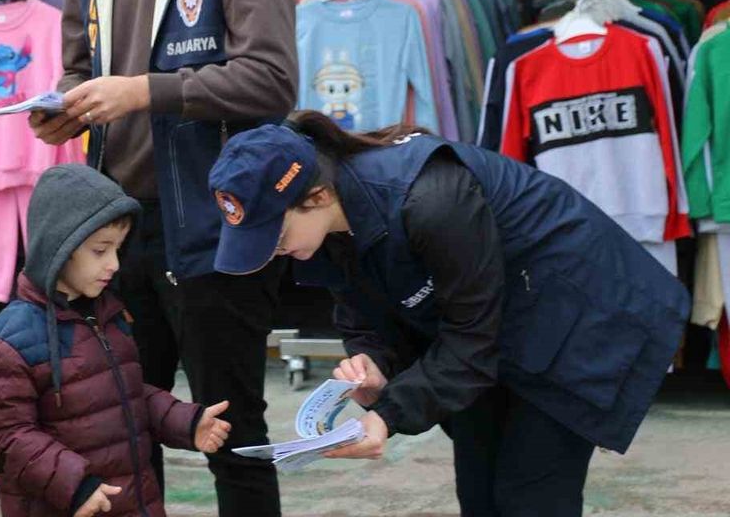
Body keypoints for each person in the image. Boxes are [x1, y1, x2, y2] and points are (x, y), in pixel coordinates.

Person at [206, 111, 692, 517]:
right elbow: (362, 312)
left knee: (530, 499)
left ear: (316, 197)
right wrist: (373, 360)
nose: (269, 252)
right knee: (479, 496)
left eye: (273, 233)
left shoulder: (431, 200)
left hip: (575, 319)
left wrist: (388, 417)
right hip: (490, 332)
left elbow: (473, 340)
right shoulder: (327, 231)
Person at [28, 0, 298, 513]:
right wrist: (67, 108)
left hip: (214, 225)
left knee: (231, 431)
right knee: (116, 429)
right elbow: (82, 69)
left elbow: (272, 80)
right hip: (115, 230)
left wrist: (145, 92)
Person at [0, 164, 233, 517]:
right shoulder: (8, 341)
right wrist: (76, 485)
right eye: (100, 251)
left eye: (118, 250)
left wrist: (185, 422)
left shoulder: (108, 315)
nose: (113, 264)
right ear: (58, 247)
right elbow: (3, 436)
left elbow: (127, 396)